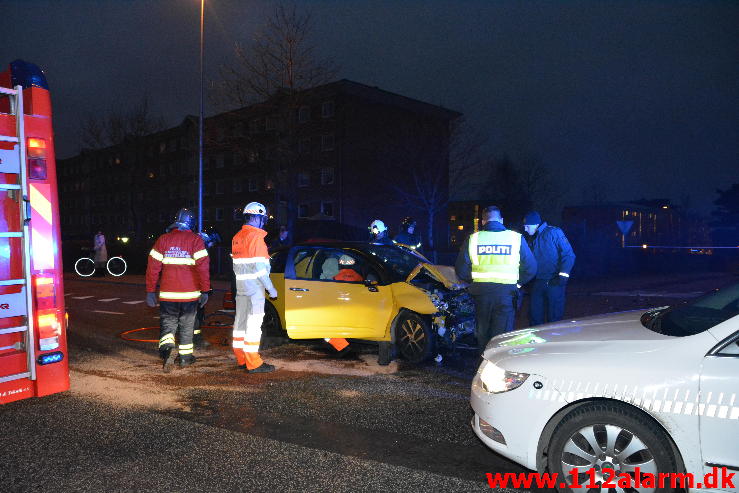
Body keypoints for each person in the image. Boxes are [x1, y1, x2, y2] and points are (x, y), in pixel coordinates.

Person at [455, 205, 537, 352]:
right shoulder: (515, 238)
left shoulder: (473, 239)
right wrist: (517, 284)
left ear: (483, 222)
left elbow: (461, 270)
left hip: (481, 295)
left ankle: (484, 366)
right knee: (502, 335)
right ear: (501, 220)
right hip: (506, 294)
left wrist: (475, 280)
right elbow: (531, 268)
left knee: (483, 334)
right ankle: (500, 367)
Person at [146, 208, 210, 372]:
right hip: (190, 295)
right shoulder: (196, 240)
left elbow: (153, 268)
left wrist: (150, 290)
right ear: (191, 223)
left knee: (168, 324)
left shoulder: (163, 240)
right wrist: (205, 290)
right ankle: (185, 358)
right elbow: (203, 269)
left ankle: (167, 352)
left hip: (168, 295)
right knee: (187, 325)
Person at [231, 201, 278, 373]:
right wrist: (271, 289)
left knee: (240, 323)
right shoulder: (256, 239)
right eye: (263, 218)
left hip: (241, 287)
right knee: (253, 325)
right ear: (258, 217)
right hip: (254, 289)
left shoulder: (237, 237)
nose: (263, 222)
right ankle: (254, 363)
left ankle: (241, 358)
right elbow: (260, 270)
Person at [523, 211, 576, 326]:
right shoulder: (532, 238)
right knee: (535, 317)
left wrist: (562, 277)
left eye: (527, 226)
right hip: (537, 283)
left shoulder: (554, 232)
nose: (525, 229)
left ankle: (554, 342)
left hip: (554, 282)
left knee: (554, 319)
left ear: (535, 224)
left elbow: (568, 254)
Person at [192, 225, 222, 349]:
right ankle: (195, 339)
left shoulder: (198, 251)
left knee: (196, 314)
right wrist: (206, 289)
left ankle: (193, 337)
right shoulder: (200, 253)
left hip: (195, 287)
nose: (210, 246)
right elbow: (202, 272)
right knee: (196, 314)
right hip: (196, 289)